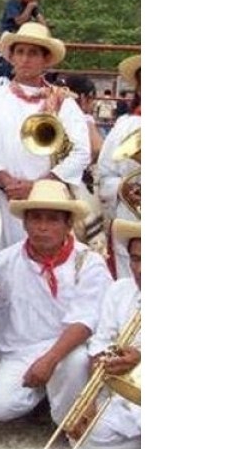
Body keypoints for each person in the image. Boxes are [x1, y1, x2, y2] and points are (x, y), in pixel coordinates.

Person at [0, 180, 112, 428]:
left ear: (68, 223)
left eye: (52, 219)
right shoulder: (4, 262)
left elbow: (85, 322)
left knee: (77, 361)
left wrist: (49, 361)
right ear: (24, 222)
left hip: (68, 350)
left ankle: (70, 422)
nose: (42, 228)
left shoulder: (89, 262)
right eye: (35, 218)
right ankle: (47, 392)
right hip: (21, 352)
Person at [0, 22, 91, 251]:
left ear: (45, 60)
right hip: (0, 197)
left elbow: (81, 152)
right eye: (20, 52)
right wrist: (7, 182)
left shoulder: (62, 102)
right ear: (12, 57)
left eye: (33, 53)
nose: (25, 59)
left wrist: (38, 187)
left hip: (46, 206)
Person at [70, 218, 141, 449]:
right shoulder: (120, 290)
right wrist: (89, 400)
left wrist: (140, 361)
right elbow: (101, 344)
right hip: (128, 401)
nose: (140, 269)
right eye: (135, 258)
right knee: (88, 437)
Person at [96, 55, 141, 280]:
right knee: (129, 280)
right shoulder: (125, 126)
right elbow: (105, 175)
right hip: (131, 214)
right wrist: (126, 188)